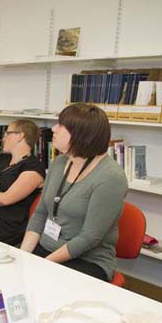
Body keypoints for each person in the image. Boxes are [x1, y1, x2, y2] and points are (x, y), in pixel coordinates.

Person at [21, 103, 128, 281]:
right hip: (47, 250)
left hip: (86, 261)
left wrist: (42, 265)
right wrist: (23, 256)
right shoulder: (59, 163)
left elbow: (89, 238)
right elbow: (40, 213)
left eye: (61, 125)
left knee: (39, 287)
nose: (54, 129)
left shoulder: (111, 177)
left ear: (81, 135)